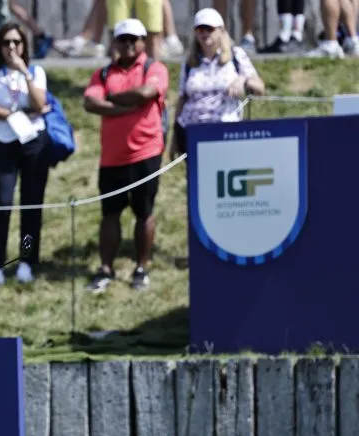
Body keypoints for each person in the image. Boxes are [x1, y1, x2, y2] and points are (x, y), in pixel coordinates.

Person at [83, 18, 168, 293]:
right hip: (112, 157)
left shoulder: (153, 68)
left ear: (144, 41)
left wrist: (113, 99)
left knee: (144, 213)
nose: (129, 44)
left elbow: (147, 91)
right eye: (123, 39)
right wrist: (128, 104)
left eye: (134, 38)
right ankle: (106, 268)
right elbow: (90, 102)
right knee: (110, 214)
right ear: (115, 42)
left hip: (146, 153)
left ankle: (141, 267)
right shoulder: (104, 73)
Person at [0, 22, 50, 284]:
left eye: (17, 42)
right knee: (3, 202)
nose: (12, 47)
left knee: (31, 204)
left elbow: (40, 103)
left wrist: (24, 72)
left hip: (33, 141)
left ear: (24, 45)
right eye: (6, 42)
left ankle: (27, 260)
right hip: (2, 140)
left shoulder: (36, 71)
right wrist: (16, 114)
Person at [172, 9, 265, 158]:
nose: (205, 33)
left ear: (221, 31)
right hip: (192, 133)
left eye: (209, 29)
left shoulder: (236, 55)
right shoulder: (190, 62)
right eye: (200, 29)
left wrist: (243, 80)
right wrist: (174, 136)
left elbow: (260, 87)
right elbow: (182, 98)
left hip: (225, 132)